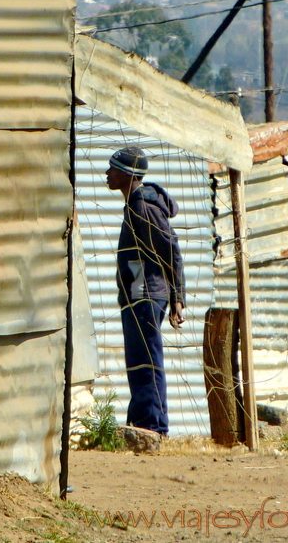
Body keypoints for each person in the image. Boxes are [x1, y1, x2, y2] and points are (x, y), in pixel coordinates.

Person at [106, 146, 186, 435]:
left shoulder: (143, 207)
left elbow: (171, 251)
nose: (107, 173)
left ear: (127, 175)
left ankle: (151, 426)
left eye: (112, 169)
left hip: (146, 295)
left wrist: (178, 297)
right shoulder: (134, 204)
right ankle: (145, 421)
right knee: (140, 359)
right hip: (139, 295)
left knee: (146, 360)